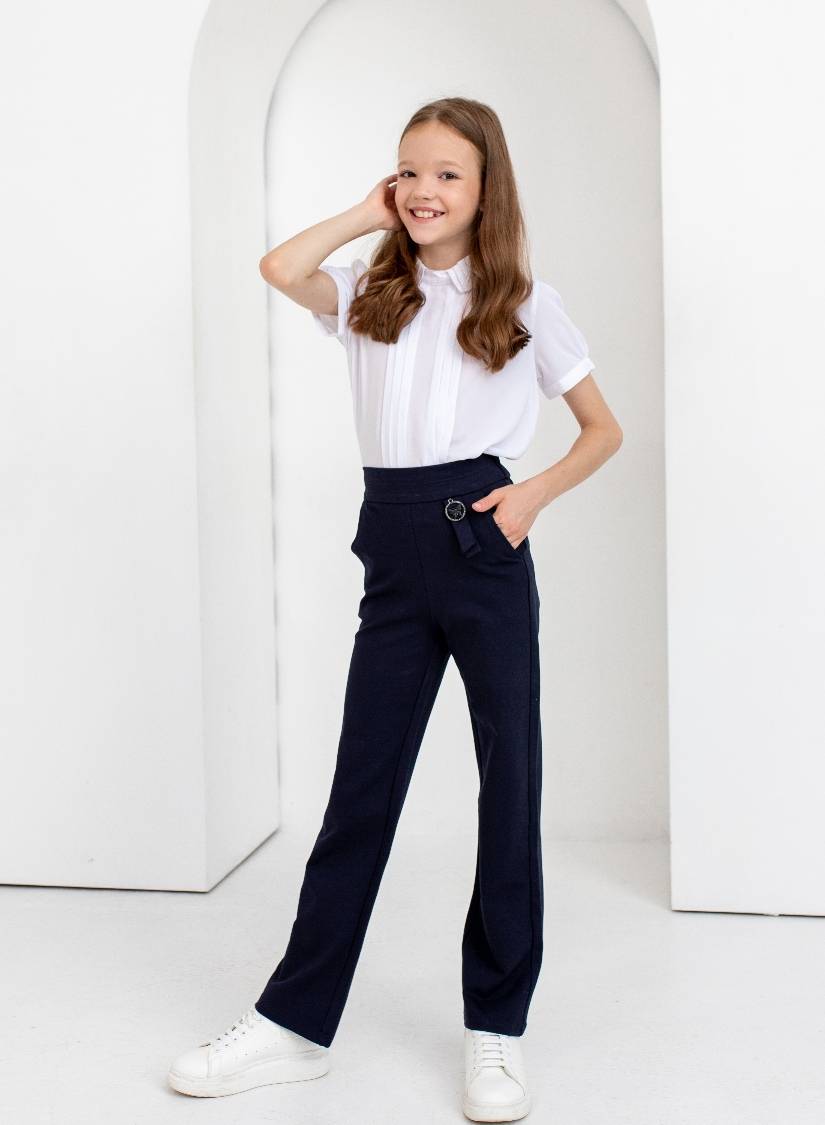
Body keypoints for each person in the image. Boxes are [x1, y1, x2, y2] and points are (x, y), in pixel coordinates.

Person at [168, 96, 622, 1121]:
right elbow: (278, 267)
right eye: (408, 170)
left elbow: (602, 429)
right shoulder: (369, 290)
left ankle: (496, 1027)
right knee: (361, 789)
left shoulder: (525, 301)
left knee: (508, 786)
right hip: (392, 546)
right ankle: (294, 1025)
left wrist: (530, 498)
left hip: (483, 541)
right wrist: (364, 214)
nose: (423, 189)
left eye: (447, 173)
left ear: (487, 188)